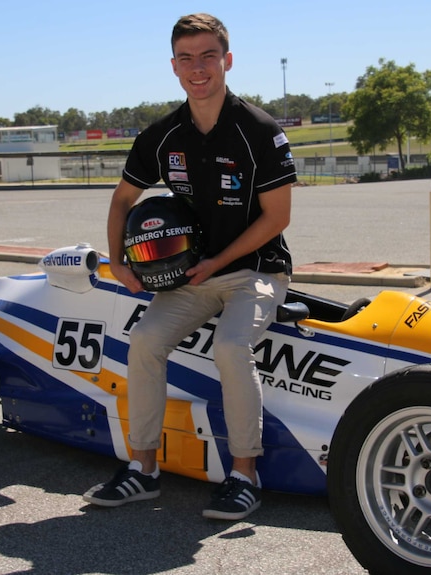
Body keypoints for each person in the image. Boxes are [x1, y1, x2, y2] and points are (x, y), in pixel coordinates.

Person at [83, 12, 297, 521]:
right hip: (193, 279)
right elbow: (121, 202)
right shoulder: (163, 135)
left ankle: (244, 475)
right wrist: (119, 261)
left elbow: (279, 217)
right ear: (174, 66)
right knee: (144, 342)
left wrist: (220, 261)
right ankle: (143, 470)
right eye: (186, 58)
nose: (197, 68)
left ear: (226, 60)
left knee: (230, 345)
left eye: (207, 56)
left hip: (255, 271)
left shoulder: (258, 130)